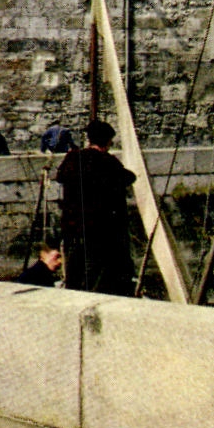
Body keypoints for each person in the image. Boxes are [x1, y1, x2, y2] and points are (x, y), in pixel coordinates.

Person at [56, 119, 138, 296]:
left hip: (73, 228)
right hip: (100, 232)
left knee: (75, 276)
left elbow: (60, 176)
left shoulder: (73, 158)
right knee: (100, 279)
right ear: (108, 141)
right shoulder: (108, 162)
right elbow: (129, 178)